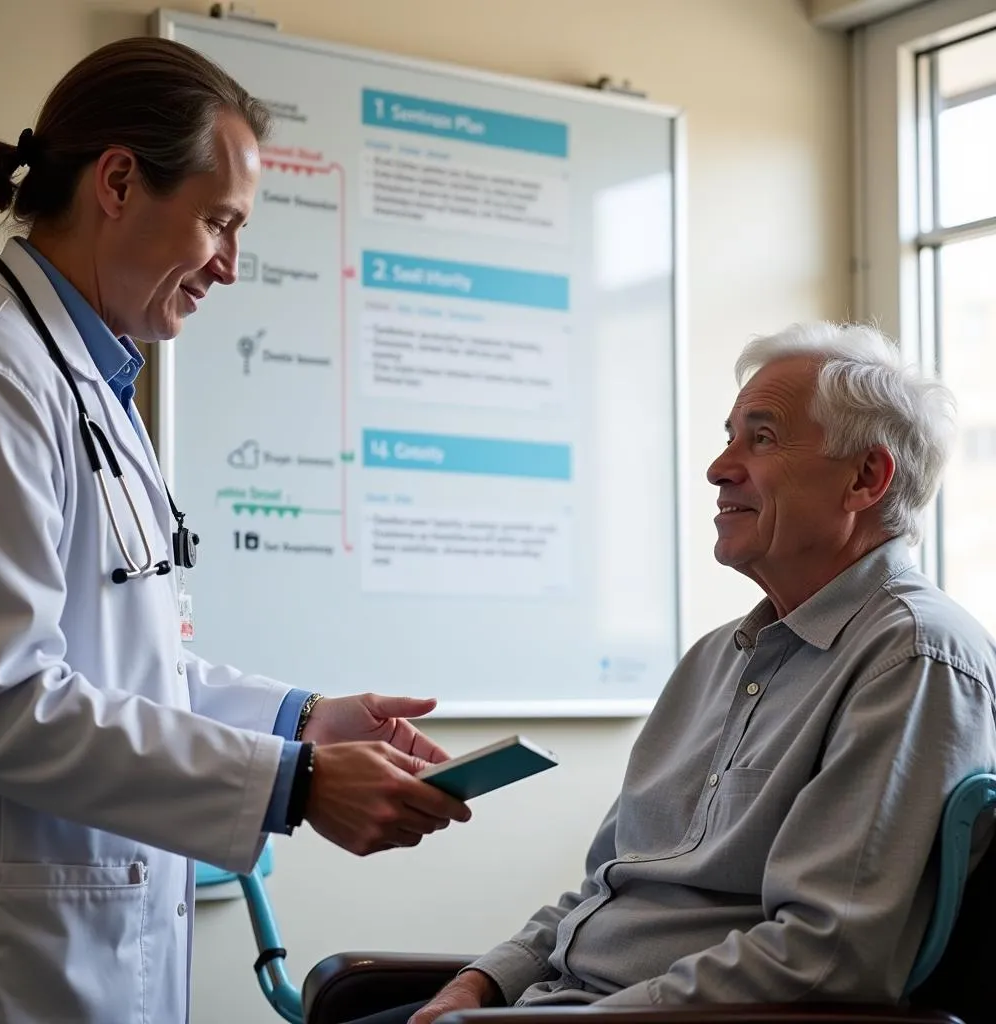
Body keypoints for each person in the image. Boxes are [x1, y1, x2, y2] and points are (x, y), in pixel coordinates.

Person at [0, 38, 471, 1024]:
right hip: (23, 961)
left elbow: (129, 673)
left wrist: (302, 721)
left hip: (99, 941)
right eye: (218, 222)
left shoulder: (96, 387)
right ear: (118, 180)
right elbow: (4, 700)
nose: (230, 268)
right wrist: (296, 783)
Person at [402, 321, 996, 1022]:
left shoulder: (914, 657)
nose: (718, 467)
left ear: (866, 477)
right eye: (728, 436)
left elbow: (827, 955)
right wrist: (483, 983)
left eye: (762, 438)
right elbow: (608, 887)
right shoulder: (715, 659)